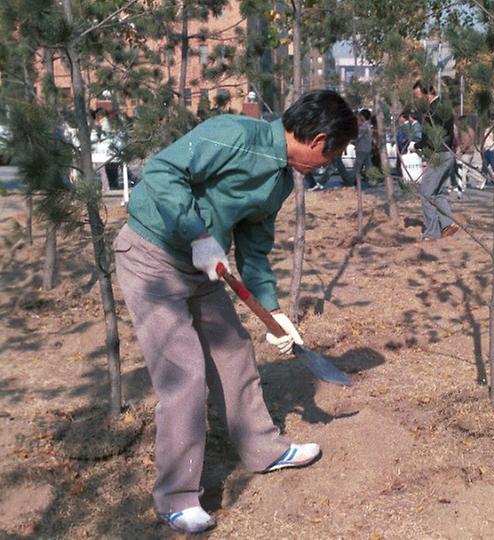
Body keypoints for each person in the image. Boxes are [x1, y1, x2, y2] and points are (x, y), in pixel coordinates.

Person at [113, 90, 357, 535]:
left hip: (202, 268)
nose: (326, 166)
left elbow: (255, 250)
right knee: (183, 374)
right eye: (330, 156)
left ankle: (263, 449)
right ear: (318, 140)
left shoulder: (280, 179)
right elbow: (163, 171)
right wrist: (197, 233)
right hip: (150, 256)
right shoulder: (233, 134)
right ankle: (176, 497)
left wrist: (275, 312)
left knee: (235, 353)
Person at [412, 80, 459, 240]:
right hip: (448, 153)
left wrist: (417, 145)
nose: (417, 101)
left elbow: (431, 136)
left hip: (438, 154)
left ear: (427, 94)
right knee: (438, 192)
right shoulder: (443, 107)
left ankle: (432, 232)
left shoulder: (434, 110)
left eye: (418, 96)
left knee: (426, 193)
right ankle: (447, 224)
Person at [353, 108, 373, 187]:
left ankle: (353, 182)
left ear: (363, 116)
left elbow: (357, 136)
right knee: (368, 166)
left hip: (362, 148)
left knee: (357, 167)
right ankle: (372, 182)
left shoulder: (364, 126)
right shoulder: (367, 125)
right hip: (367, 148)